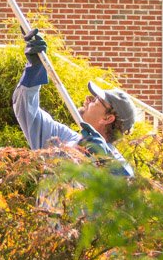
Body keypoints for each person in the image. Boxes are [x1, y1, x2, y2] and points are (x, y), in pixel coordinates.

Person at [13, 31, 136, 177]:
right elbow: (26, 110)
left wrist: (105, 161)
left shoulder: (116, 163)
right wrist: (35, 69)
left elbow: (126, 189)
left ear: (107, 118)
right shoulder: (61, 139)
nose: (87, 99)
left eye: (95, 99)